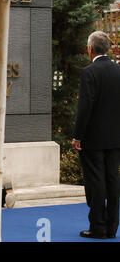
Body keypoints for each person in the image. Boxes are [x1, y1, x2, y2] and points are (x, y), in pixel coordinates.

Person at [72, 31, 120, 239]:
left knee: (96, 182)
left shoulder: (89, 72)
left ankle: (98, 226)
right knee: (113, 179)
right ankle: (112, 226)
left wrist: (78, 136)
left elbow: (85, 107)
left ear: (90, 49)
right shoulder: (118, 71)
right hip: (116, 137)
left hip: (93, 139)